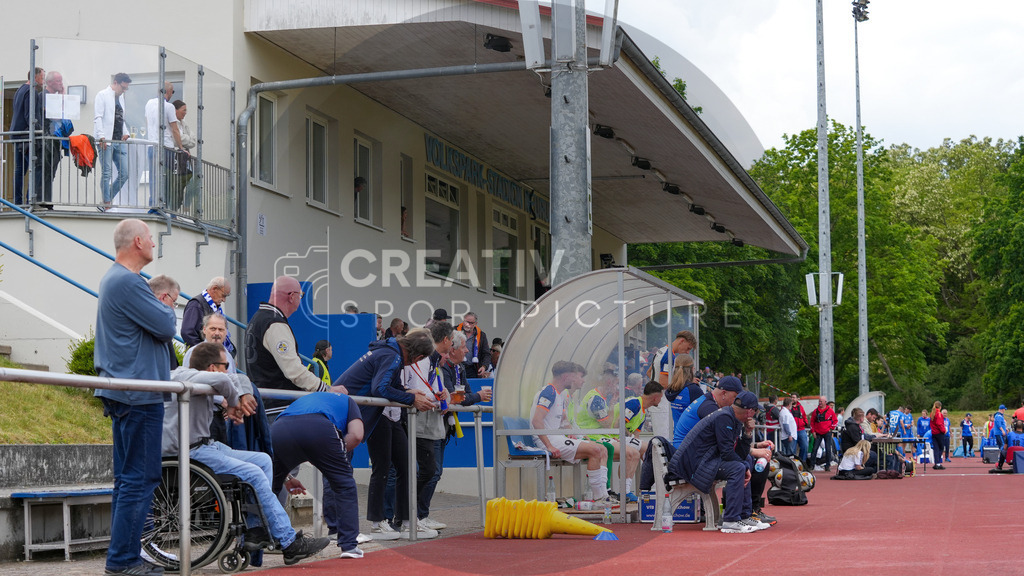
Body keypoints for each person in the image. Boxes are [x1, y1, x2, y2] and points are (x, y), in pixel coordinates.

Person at [163, 342, 329, 565]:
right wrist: (233, 403)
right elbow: (224, 380)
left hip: (206, 445)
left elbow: (237, 378)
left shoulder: (205, 380)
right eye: (225, 365)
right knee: (253, 473)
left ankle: (255, 530)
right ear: (212, 367)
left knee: (263, 460)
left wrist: (237, 393)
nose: (228, 369)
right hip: (189, 452)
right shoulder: (186, 376)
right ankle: (289, 542)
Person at [93, 219, 177, 576]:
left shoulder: (119, 281)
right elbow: (166, 325)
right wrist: (164, 312)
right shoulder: (128, 282)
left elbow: (159, 324)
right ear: (139, 241)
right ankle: (124, 561)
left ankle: (124, 556)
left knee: (129, 479)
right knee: (139, 479)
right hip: (138, 393)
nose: (155, 246)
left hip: (130, 391)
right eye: (152, 241)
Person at [333, 329, 436, 539]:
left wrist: (408, 392)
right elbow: (380, 388)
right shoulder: (391, 355)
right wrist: (411, 399)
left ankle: (407, 521)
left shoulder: (391, 352)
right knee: (379, 467)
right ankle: (375, 524)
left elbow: (388, 384)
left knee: (406, 465)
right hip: (358, 412)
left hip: (377, 413)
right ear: (418, 357)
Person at [271, 391, 365, 559]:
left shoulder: (307, 399)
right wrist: (331, 453)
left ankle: (252, 540)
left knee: (269, 488)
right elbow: (357, 435)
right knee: (344, 485)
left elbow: (296, 431)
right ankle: (349, 546)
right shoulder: (349, 401)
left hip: (280, 427)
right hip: (318, 428)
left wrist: (287, 477)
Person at [668, 391, 772, 534]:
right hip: (695, 465)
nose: (755, 414)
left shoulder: (731, 417)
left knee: (746, 461)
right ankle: (731, 520)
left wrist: (748, 433)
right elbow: (727, 453)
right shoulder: (724, 418)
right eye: (755, 411)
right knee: (738, 468)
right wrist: (746, 468)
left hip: (704, 461)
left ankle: (745, 515)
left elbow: (739, 454)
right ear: (749, 411)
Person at [530, 361, 616, 507]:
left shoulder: (560, 394)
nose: (578, 379)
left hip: (556, 437)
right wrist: (549, 446)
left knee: (601, 448)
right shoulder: (549, 392)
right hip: (547, 439)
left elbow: (563, 421)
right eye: (576, 376)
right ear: (566, 376)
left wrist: (573, 434)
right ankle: (598, 498)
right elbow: (537, 421)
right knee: (595, 450)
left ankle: (604, 495)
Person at [244, 275, 332, 415]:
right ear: (291, 296)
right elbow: (293, 370)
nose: (300, 299)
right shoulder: (274, 324)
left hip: (265, 404)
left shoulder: (257, 320)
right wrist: (326, 389)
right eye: (300, 295)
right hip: (280, 408)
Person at [575, 364, 642, 502]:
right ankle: (609, 491)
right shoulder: (596, 399)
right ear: (609, 382)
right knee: (630, 453)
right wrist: (614, 403)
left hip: (602, 435)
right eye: (617, 384)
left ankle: (625, 491)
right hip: (592, 436)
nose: (619, 388)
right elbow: (607, 423)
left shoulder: (602, 398)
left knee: (635, 452)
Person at [94, 72, 132, 209]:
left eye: (126, 88)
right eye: (123, 87)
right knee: (107, 172)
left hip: (118, 141)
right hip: (106, 140)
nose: (124, 91)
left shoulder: (121, 98)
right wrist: (101, 137)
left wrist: (126, 132)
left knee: (125, 173)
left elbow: (121, 118)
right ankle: (107, 202)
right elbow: (98, 117)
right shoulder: (102, 95)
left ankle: (106, 200)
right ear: (115, 83)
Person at [9, 67, 45, 205]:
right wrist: (38, 133)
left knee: (20, 169)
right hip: (26, 136)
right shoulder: (32, 92)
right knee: (36, 167)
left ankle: (18, 203)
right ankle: (31, 200)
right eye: (42, 77)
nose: (43, 81)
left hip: (16, 134)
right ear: (35, 77)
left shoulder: (20, 90)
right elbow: (30, 116)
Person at [144, 82, 182, 208]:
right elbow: (175, 129)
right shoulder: (169, 106)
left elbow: (147, 122)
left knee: (154, 177)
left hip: (152, 146)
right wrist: (181, 148)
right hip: (166, 147)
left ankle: (154, 206)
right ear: (169, 91)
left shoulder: (149, 103)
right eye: (172, 92)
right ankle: (166, 207)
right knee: (168, 178)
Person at [39, 70, 70, 207]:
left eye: (61, 80)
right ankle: (43, 202)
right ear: (49, 82)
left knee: (51, 172)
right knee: (45, 171)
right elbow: (56, 115)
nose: (61, 84)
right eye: (58, 81)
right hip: (47, 139)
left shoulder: (54, 97)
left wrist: (62, 96)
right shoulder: (44, 96)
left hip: (55, 139)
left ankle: (47, 201)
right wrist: (62, 96)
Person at [180, 276, 233, 352]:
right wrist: (204, 352)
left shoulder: (213, 306)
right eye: (223, 295)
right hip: (202, 356)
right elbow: (187, 333)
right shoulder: (196, 305)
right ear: (214, 289)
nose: (224, 300)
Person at [171, 100, 199, 214]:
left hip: (185, 158)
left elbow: (193, 141)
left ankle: (186, 208)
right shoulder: (173, 123)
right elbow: (176, 139)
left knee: (193, 183)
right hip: (176, 158)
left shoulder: (184, 124)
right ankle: (176, 209)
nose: (186, 113)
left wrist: (184, 139)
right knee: (179, 184)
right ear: (175, 110)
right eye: (184, 110)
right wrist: (184, 139)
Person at [665, 353, 703, 429]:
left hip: (677, 434)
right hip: (691, 435)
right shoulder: (694, 390)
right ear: (692, 369)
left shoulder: (673, 388)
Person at [456, 312, 491, 377]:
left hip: (473, 369)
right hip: (457, 367)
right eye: (466, 322)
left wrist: (484, 366)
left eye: (471, 323)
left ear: (475, 324)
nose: (467, 325)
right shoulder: (455, 331)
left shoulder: (481, 335)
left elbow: (486, 354)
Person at [809, 397, 838, 471]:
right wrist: (813, 431)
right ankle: (812, 465)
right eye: (819, 401)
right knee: (815, 449)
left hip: (827, 432)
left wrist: (831, 428)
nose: (820, 403)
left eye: (821, 401)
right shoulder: (816, 411)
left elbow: (835, 421)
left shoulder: (830, 411)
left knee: (828, 449)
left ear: (825, 402)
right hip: (818, 432)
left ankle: (827, 466)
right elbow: (812, 422)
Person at [790, 394, 810, 466]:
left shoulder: (800, 407)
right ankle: (793, 463)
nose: (793, 399)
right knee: (793, 448)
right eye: (792, 397)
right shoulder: (789, 407)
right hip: (793, 430)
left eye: (794, 397)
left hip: (801, 429)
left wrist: (805, 423)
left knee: (804, 446)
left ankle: (802, 461)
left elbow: (804, 416)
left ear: (797, 399)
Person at [929, 401, 946, 470]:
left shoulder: (932, 413)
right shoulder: (939, 414)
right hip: (939, 433)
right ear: (940, 407)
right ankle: (938, 463)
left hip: (934, 433)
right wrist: (943, 430)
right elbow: (939, 424)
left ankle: (936, 462)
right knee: (941, 448)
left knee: (935, 448)